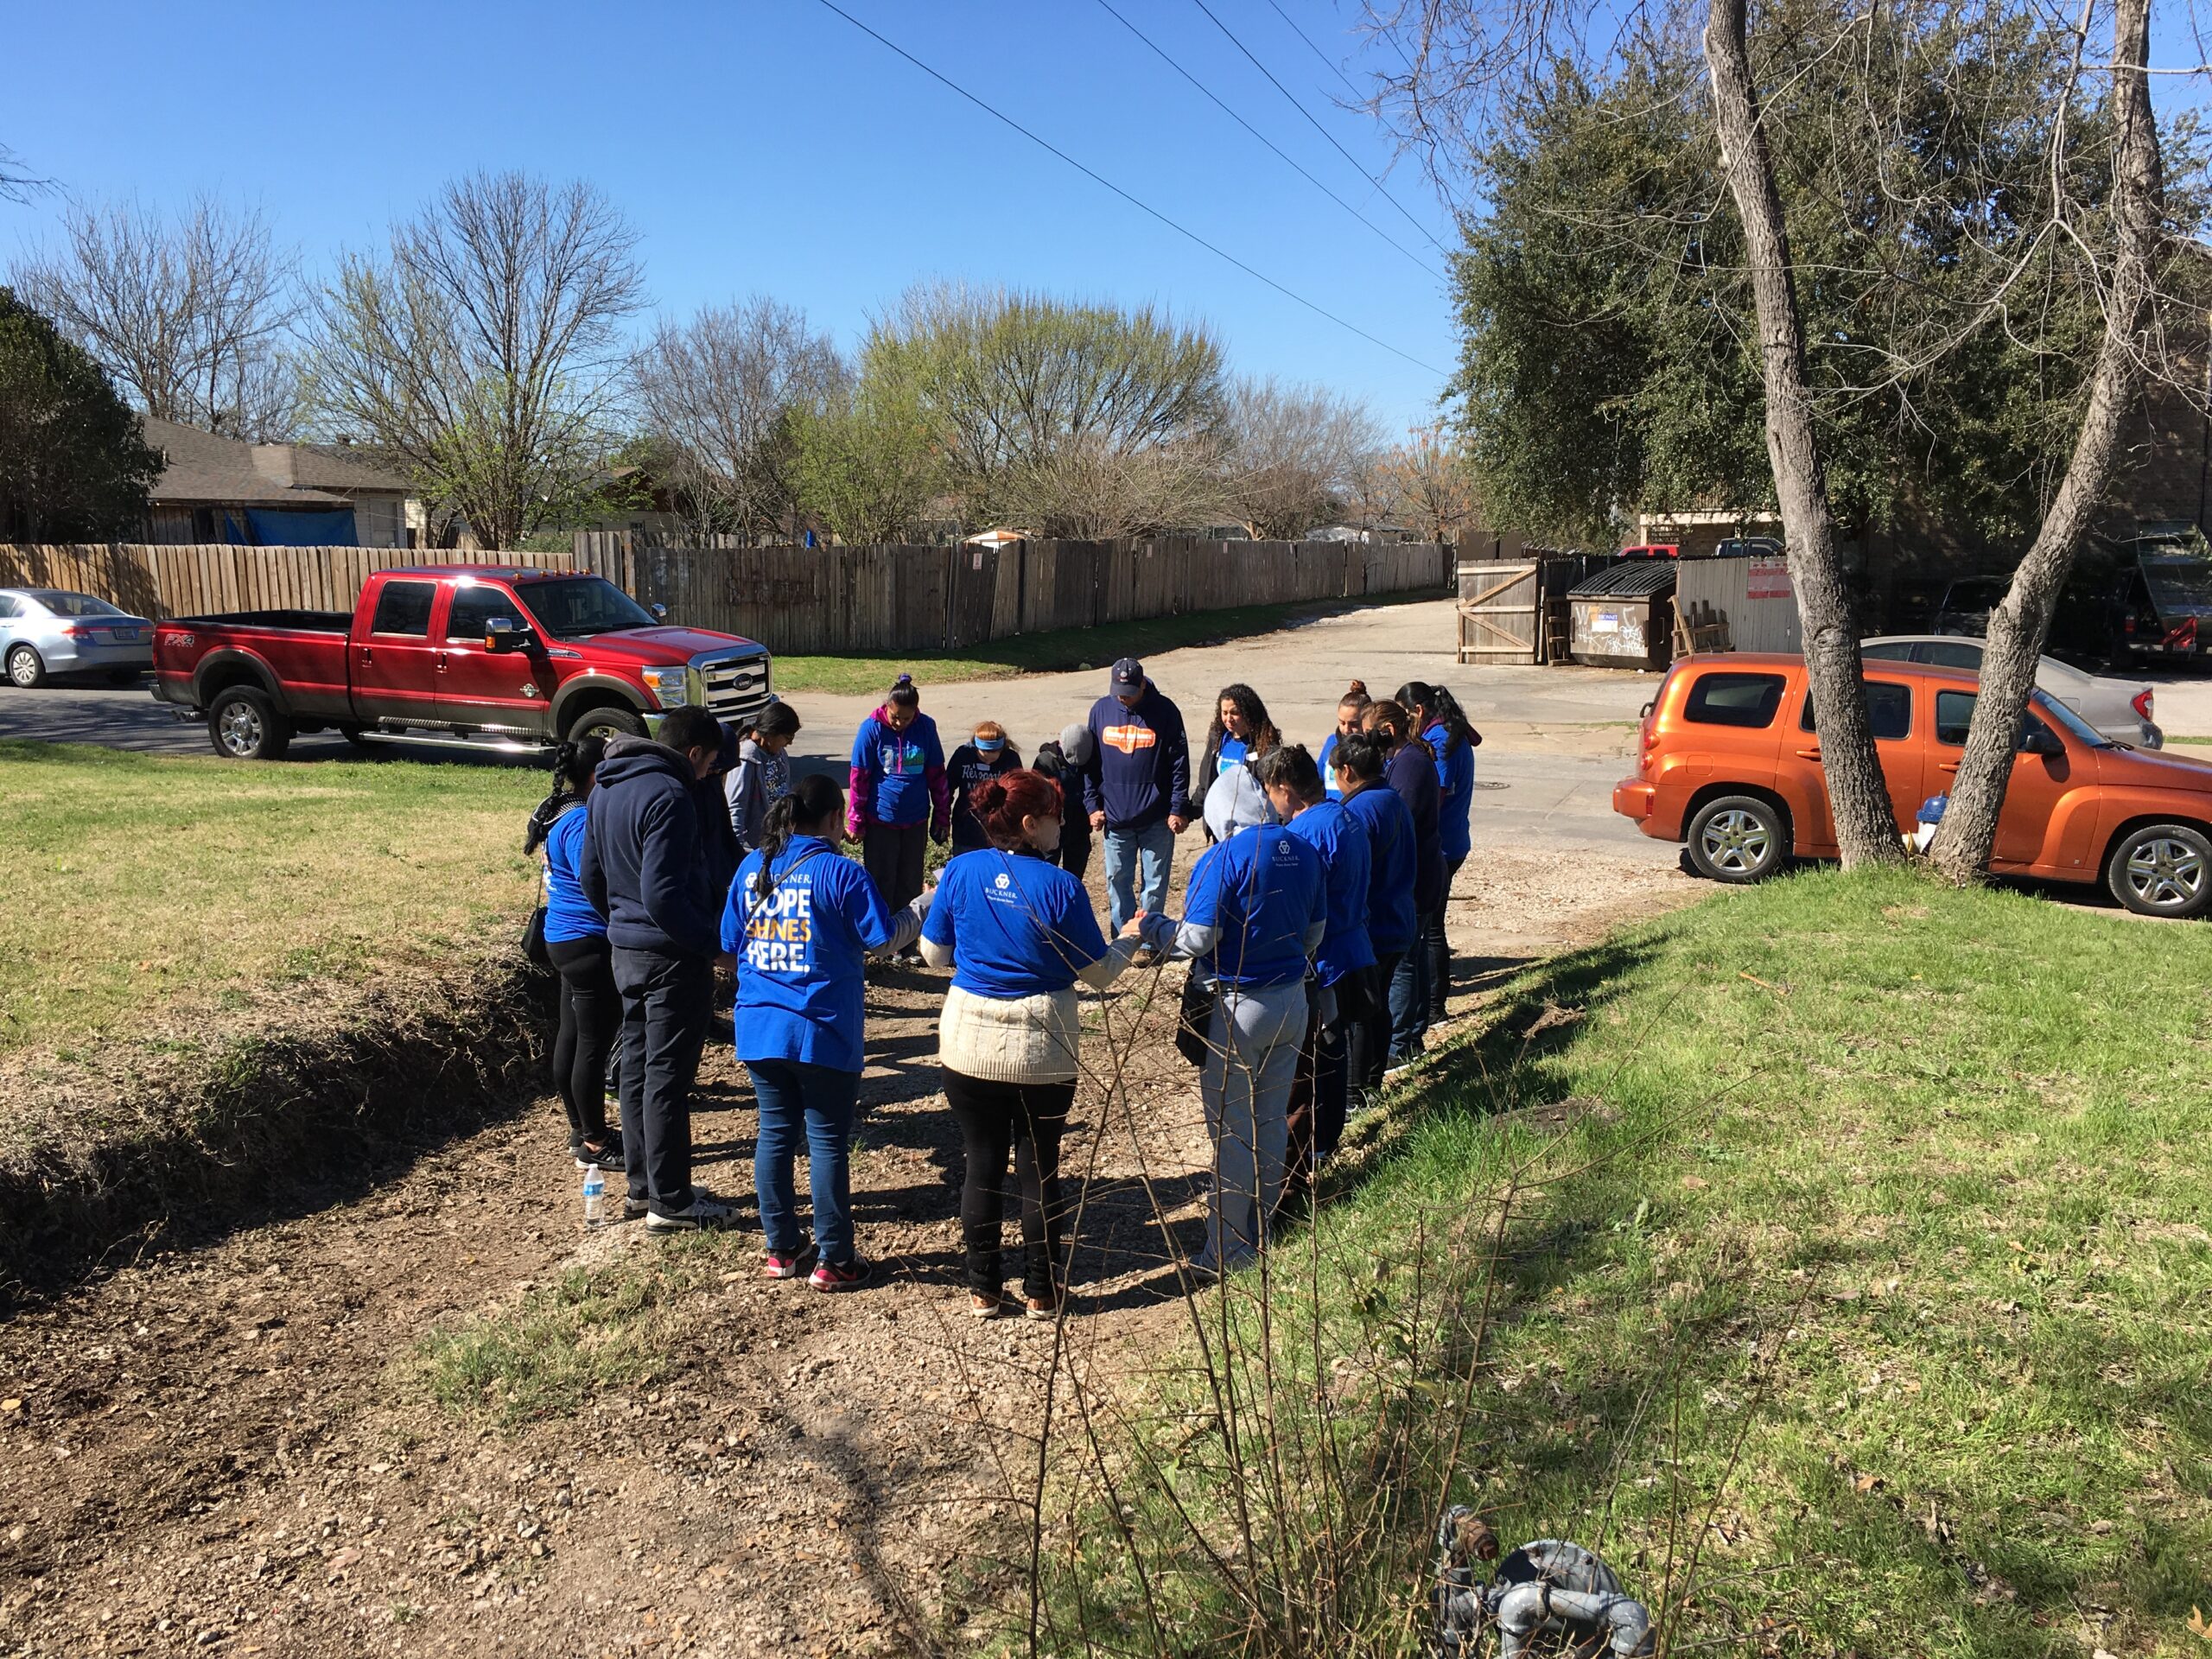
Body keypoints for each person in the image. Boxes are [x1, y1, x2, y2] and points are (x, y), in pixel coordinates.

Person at [921, 769, 1140, 1319]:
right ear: (1028, 824)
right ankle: (1042, 1289)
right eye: (1054, 818)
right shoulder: (1062, 886)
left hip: (969, 1038)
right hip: (1043, 1044)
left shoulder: (961, 870)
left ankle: (983, 1287)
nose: (1060, 827)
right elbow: (1098, 975)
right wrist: (1131, 938)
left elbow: (933, 956)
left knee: (982, 1164)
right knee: (1040, 1168)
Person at [722, 773, 927, 1291]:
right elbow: (882, 941)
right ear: (836, 819)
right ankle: (835, 1258)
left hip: (759, 1025)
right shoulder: (841, 873)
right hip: (821, 1028)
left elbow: (726, 948)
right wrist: (924, 905)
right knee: (828, 1141)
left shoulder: (752, 866)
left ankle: (783, 1249)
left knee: (774, 1133)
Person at [1128, 764, 1325, 1278]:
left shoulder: (1223, 857)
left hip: (1238, 1006)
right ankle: (1262, 1231)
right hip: (1292, 1002)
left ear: (1220, 814)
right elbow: (1314, 933)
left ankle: (1227, 1252)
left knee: (1232, 1132)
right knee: (1271, 1120)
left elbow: (1195, 939)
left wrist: (1151, 925)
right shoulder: (1303, 849)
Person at [578, 704, 735, 1232]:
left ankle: (643, 1187)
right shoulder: (671, 796)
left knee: (639, 1070)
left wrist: (620, 925)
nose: (708, 772)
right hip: (671, 957)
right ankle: (671, 1201)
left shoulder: (604, 786)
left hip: (626, 949)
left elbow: (590, 875)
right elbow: (664, 894)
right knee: (668, 1076)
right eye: (710, 761)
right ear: (693, 753)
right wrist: (712, 946)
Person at [1257, 744, 1374, 1194]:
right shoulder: (1346, 816)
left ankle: (1314, 1147)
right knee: (1335, 1046)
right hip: (1353, 948)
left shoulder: (1302, 834)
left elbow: (1300, 904)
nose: (1270, 802)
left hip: (1321, 958)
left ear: (1286, 790)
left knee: (1312, 1060)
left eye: (1271, 792)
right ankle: (1328, 1136)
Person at [529, 736, 623, 1173]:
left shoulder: (559, 817)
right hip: (588, 941)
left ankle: (579, 1128)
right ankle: (596, 1141)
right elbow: (595, 881)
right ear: (597, 775)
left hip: (562, 938)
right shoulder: (583, 822)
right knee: (592, 1044)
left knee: (571, 1035)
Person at [1334, 731, 1417, 1099]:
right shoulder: (1391, 799)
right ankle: (1372, 1083)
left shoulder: (1358, 811)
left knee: (1358, 1012)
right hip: (1399, 918)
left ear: (1347, 771)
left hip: (1373, 927)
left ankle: (1355, 1093)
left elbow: (1354, 873)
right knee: (1378, 1006)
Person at [1363, 698, 1444, 1072]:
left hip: (1417, 875)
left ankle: (1402, 1041)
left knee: (1406, 962)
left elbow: (1401, 821)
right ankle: (1412, 1035)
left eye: (1369, 732)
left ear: (1389, 730)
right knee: (1414, 954)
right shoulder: (1406, 759)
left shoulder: (1409, 765)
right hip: (1422, 872)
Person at [1084, 657, 1190, 934]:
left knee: (1154, 884)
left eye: (1130, 693)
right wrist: (1092, 806)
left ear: (1142, 684)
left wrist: (1178, 807)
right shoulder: (1101, 710)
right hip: (1116, 819)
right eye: (1119, 692)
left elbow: (1179, 763)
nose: (1123, 698)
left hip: (1157, 818)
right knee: (1117, 880)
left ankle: (1147, 938)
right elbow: (1090, 764)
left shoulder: (1165, 711)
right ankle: (1123, 938)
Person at [1397, 681, 1480, 1028]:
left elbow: (1436, 794)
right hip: (1455, 840)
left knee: (1430, 930)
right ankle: (1432, 1005)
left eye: (1405, 717)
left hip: (1441, 847)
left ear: (1418, 711)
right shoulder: (1452, 731)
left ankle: (1434, 1008)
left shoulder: (1440, 742)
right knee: (1432, 927)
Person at [849, 673, 950, 915]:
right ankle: (883, 939)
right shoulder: (871, 729)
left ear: (916, 712)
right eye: (895, 717)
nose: (899, 723)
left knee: (910, 880)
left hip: (915, 820)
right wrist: (856, 821)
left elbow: (937, 775)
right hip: (880, 819)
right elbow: (859, 779)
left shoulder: (925, 727)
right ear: (887, 707)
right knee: (882, 881)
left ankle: (906, 942)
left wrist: (942, 816)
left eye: (906, 718)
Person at [1186, 683, 1281, 830]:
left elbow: (1275, 791)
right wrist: (1187, 814)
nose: (1228, 718)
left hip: (1255, 826)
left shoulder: (1265, 746)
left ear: (1248, 713)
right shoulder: (1218, 739)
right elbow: (1206, 785)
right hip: (1223, 825)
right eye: (1224, 713)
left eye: (1234, 713)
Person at [726, 699, 801, 852]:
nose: (790, 743)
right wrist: (736, 850)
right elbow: (736, 807)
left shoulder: (780, 753)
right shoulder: (746, 758)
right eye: (788, 737)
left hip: (779, 843)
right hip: (754, 848)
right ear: (771, 732)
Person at [1029, 721, 1096, 880]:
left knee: (1074, 876)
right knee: (1045, 873)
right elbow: (1036, 796)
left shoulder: (1091, 758)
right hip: (1052, 826)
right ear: (1061, 744)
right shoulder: (1045, 761)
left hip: (1079, 827)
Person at [946, 719, 1022, 852]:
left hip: (998, 831)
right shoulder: (963, 755)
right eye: (983, 756)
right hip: (966, 829)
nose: (988, 761)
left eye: (993, 756)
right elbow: (947, 788)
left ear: (1001, 749)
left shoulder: (1011, 759)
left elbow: (1017, 794)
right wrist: (942, 818)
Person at [1318, 682, 1370, 802]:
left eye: (1354, 724)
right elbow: (1318, 779)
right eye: (1342, 723)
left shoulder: (1372, 750)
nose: (1346, 730)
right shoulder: (1331, 742)